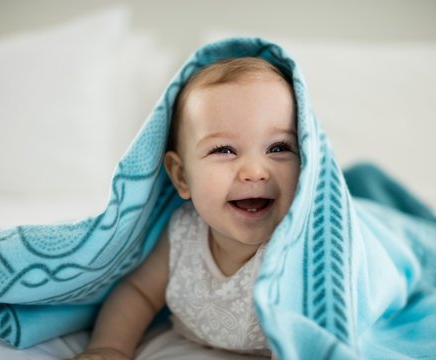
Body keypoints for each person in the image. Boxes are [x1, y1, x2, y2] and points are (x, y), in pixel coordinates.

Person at [73, 57, 300, 359]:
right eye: (224, 150)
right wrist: (109, 347)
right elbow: (139, 293)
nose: (255, 171)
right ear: (181, 176)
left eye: (279, 148)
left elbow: (315, 332)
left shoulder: (299, 248)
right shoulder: (184, 231)